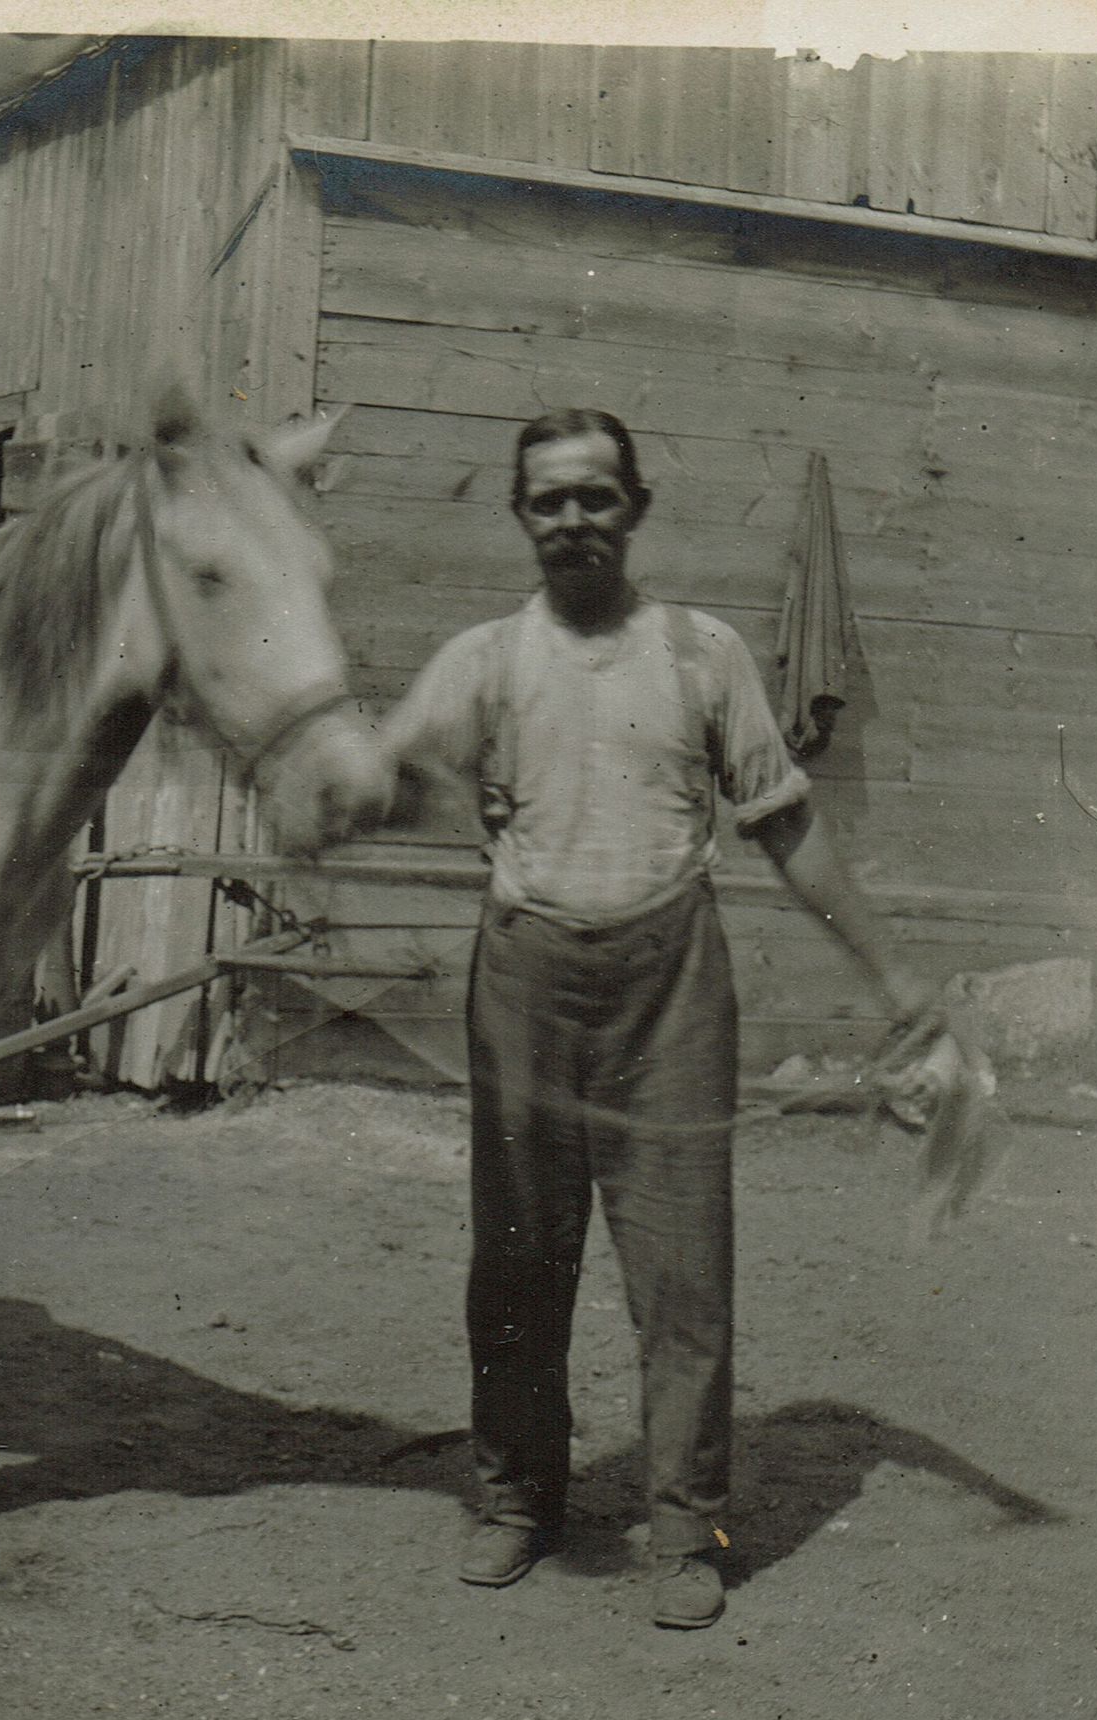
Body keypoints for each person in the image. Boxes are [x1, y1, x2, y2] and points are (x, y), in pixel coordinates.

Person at [377, 409, 936, 1629]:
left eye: (595, 495)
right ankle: (516, 1497)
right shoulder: (481, 661)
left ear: (634, 507)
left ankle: (687, 1524)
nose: (572, 519)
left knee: (683, 1271)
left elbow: (787, 823)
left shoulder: (702, 654)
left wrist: (894, 977)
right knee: (517, 1261)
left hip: (670, 985)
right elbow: (376, 776)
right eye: (548, 500)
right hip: (524, 982)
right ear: (521, 516)